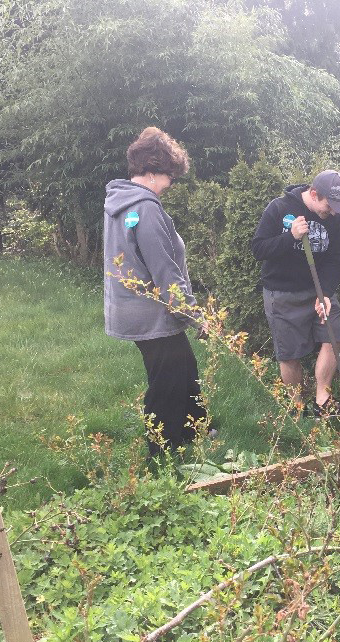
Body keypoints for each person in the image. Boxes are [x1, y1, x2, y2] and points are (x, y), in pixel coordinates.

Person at [103, 127, 207, 460]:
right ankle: (161, 453)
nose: (170, 184)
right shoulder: (146, 208)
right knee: (166, 382)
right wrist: (194, 316)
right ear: (150, 173)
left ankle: (192, 431)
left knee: (185, 366)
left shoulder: (121, 202)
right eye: (168, 177)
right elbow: (165, 271)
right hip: (151, 312)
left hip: (132, 307)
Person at [252, 170, 340, 418]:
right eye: (330, 205)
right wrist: (290, 237)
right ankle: (296, 410)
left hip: (319, 290)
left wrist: (326, 293)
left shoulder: (336, 217)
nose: (334, 212)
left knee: (333, 338)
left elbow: (336, 257)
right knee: (290, 354)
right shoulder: (279, 208)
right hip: (282, 292)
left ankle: (322, 400)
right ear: (315, 194)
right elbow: (258, 249)